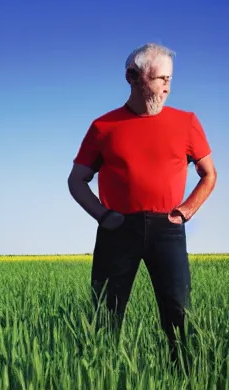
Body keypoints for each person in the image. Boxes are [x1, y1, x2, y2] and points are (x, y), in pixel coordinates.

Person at [67, 43, 217, 369]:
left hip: (167, 228)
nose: (167, 86)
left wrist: (185, 211)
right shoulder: (103, 127)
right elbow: (76, 180)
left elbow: (209, 174)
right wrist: (103, 215)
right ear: (133, 77)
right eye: (160, 78)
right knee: (105, 314)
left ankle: (187, 384)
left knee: (179, 312)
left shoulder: (187, 122)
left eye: (170, 78)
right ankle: (100, 387)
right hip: (118, 228)